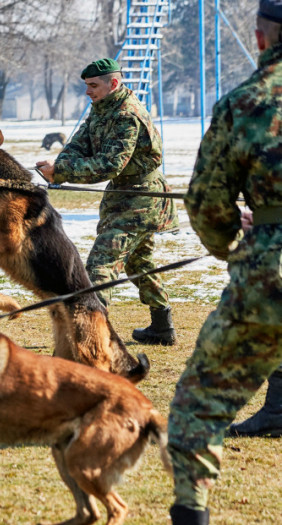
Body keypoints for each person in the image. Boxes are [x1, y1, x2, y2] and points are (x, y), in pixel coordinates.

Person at [167, 2, 282, 523]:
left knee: (201, 402)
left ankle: (192, 513)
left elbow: (207, 204)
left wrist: (237, 246)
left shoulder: (246, 102)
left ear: (260, 39)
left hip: (268, 274)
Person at [36, 58, 179, 346]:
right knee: (139, 263)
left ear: (113, 84)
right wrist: (58, 166)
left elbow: (110, 165)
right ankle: (162, 327)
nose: (88, 91)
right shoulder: (103, 107)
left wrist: (61, 172)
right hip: (123, 196)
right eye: (86, 86)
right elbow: (80, 142)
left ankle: (89, 335)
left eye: (93, 85)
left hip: (142, 199)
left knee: (101, 264)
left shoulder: (127, 115)